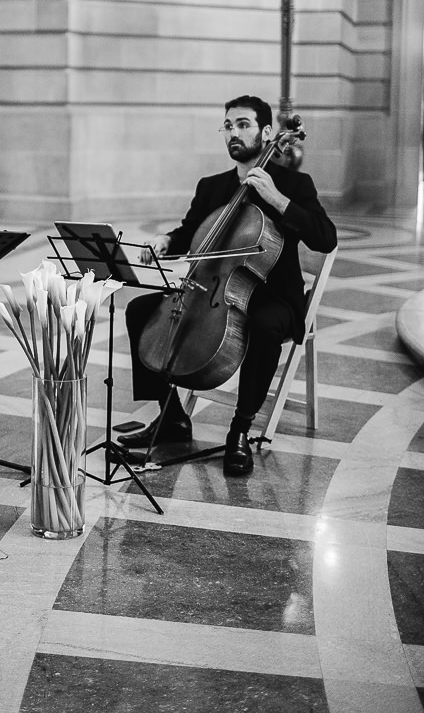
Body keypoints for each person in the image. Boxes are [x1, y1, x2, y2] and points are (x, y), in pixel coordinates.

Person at [120, 94, 337, 476]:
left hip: (272, 296)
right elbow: (191, 233)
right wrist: (168, 241)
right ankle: (171, 416)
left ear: (268, 132)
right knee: (141, 309)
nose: (233, 133)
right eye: (228, 125)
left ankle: (240, 429)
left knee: (265, 325)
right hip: (213, 291)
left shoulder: (294, 183)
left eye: (243, 124)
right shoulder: (212, 187)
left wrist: (278, 199)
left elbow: (326, 238)